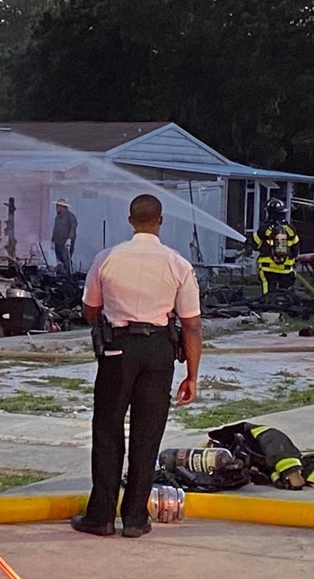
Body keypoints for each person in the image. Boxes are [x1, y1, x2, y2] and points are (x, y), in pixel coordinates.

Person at [71, 194, 202, 539]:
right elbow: (191, 323)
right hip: (160, 350)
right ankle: (134, 518)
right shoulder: (178, 264)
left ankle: (100, 516)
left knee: (108, 427)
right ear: (160, 221)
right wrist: (191, 374)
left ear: (130, 221)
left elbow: (90, 311)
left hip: (118, 348)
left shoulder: (107, 258)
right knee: (148, 433)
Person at [251, 198, 299, 295]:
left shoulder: (264, 228)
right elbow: (295, 250)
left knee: (268, 297)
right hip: (286, 270)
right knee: (285, 297)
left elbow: (255, 245)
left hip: (268, 269)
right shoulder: (290, 229)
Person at [51, 197, 78, 274]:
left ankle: (68, 274)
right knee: (59, 258)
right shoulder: (57, 218)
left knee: (66, 258)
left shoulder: (70, 216)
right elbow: (55, 229)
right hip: (58, 242)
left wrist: (69, 239)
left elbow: (73, 228)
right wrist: (52, 240)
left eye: (58, 206)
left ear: (63, 207)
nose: (56, 208)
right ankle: (62, 273)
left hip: (66, 243)